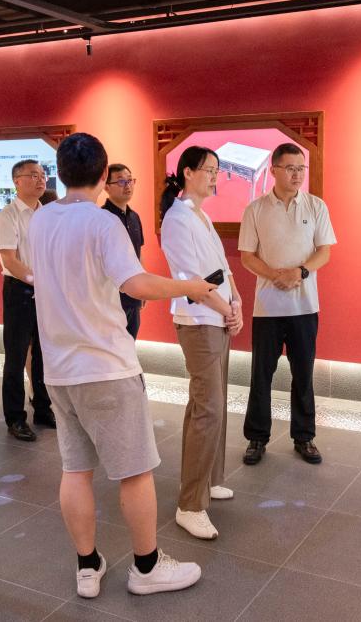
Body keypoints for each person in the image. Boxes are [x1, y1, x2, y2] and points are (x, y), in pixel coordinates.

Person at [28, 132, 214, 599]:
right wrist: (190, 287)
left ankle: (87, 565)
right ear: (102, 173)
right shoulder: (103, 222)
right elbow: (135, 284)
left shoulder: (41, 219)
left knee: (76, 470)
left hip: (59, 369)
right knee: (135, 472)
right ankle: (147, 567)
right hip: (106, 367)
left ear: (59, 172)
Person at [159, 146, 243, 540]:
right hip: (199, 321)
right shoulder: (176, 219)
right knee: (208, 408)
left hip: (218, 317)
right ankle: (190, 505)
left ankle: (208, 479)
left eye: (217, 171)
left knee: (210, 404)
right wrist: (226, 310)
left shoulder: (201, 215)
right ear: (188, 173)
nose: (214, 177)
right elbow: (191, 280)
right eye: (208, 170)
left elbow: (223, 268)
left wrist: (236, 302)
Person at [239, 143, 336, 465]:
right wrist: (275, 275)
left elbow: (324, 251)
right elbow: (247, 256)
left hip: (305, 307)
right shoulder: (255, 209)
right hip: (267, 308)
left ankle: (304, 437)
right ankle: (256, 438)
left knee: (303, 374)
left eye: (300, 168)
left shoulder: (315, 206)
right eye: (290, 168)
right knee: (261, 375)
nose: (297, 174)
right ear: (274, 171)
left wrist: (300, 272)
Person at [0, 159, 56, 442]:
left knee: (44, 353)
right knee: (16, 356)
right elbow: (9, 260)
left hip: (46, 291)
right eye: (33, 175)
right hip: (19, 291)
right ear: (17, 181)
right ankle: (15, 417)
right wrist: (38, 281)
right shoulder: (7, 216)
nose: (40, 180)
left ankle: (42, 408)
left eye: (43, 175)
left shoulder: (48, 214)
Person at [102, 163, 145, 339]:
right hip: (110, 298)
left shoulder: (135, 217)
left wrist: (143, 288)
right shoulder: (102, 218)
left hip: (133, 296)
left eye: (130, 180)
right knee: (111, 346)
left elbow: (139, 254)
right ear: (106, 187)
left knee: (129, 343)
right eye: (121, 182)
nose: (127, 186)